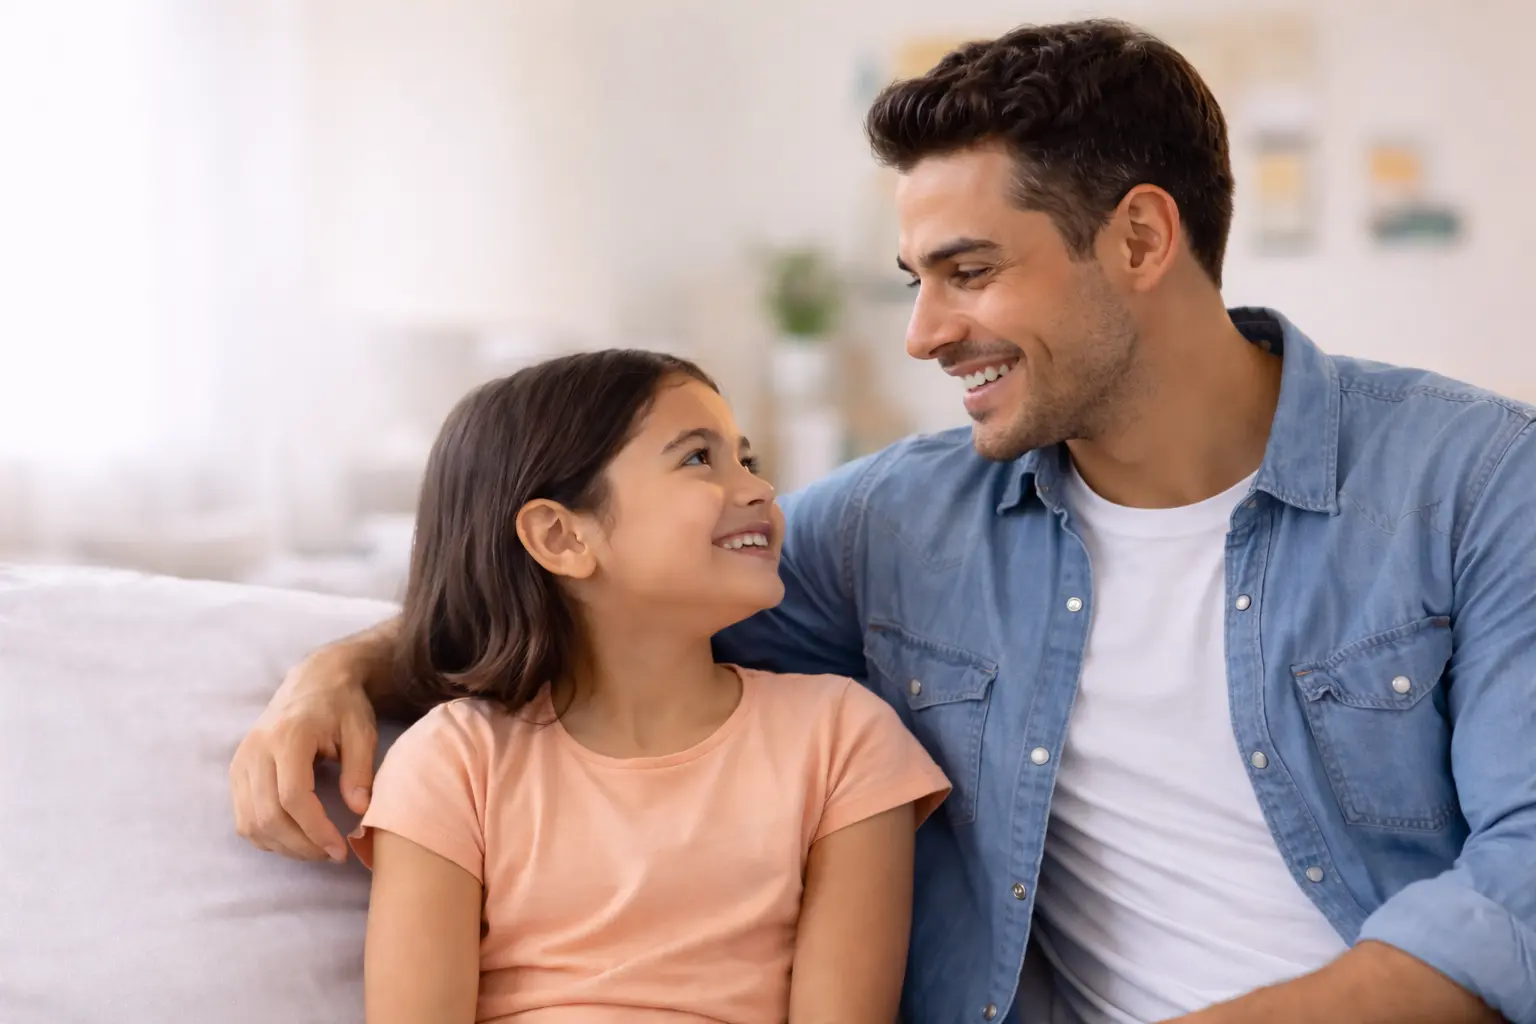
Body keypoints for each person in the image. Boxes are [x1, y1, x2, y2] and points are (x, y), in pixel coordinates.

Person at [231, 18, 1536, 1024]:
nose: (922, 334)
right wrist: (336, 670)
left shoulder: (1477, 483)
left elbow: (1522, 882)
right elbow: (610, 597)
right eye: (915, 280)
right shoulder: (903, 521)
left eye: (969, 272)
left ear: (1142, 238)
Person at [306, 349, 950, 1022]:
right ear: (560, 536)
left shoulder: (844, 736)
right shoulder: (456, 760)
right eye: (699, 459)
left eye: (747, 460)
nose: (761, 489)